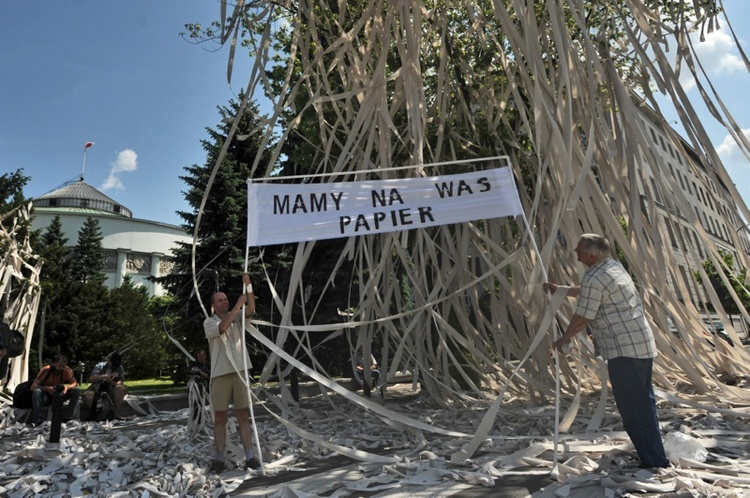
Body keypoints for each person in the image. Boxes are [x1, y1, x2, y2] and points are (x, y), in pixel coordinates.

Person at [543, 233, 670, 469]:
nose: (575, 251)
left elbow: (583, 316)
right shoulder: (612, 267)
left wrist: (564, 339)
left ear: (591, 254)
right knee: (643, 402)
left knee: (633, 408)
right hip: (638, 344)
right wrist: (560, 290)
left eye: (578, 248)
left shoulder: (595, 277)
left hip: (623, 348)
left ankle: (655, 461)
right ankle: (652, 454)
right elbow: (590, 291)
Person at [204, 272, 260, 473]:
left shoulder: (238, 317)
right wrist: (237, 304)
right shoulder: (209, 323)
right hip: (220, 374)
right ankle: (219, 458)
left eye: (226, 299)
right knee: (220, 417)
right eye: (220, 300)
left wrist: (249, 286)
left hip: (240, 370)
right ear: (213, 305)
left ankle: (250, 456)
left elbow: (251, 309)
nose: (224, 302)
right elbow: (222, 326)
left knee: (243, 414)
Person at [30, 353, 81, 426]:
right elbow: (33, 386)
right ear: (55, 364)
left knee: (77, 390)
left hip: (59, 395)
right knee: (36, 392)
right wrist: (47, 388)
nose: (61, 368)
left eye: (63, 366)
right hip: (46, 396)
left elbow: (74, 382)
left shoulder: (67, 370)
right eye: (59, 366)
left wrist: (67, 387)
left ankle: (69, 418)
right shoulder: (47, 370)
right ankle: (38, 420)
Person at [82, 353, 128, 420]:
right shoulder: (100, 366)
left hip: (111, 390)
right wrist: (107, 376)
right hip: (97, 389)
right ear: (109, 361)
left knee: (121, 388)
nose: (114, 367)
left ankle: (116, 413)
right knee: (86, 395)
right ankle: (98, 413)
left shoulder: (120, 368)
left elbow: (120, 382)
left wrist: (111, 382)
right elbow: (92, 378)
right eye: (113, 364)